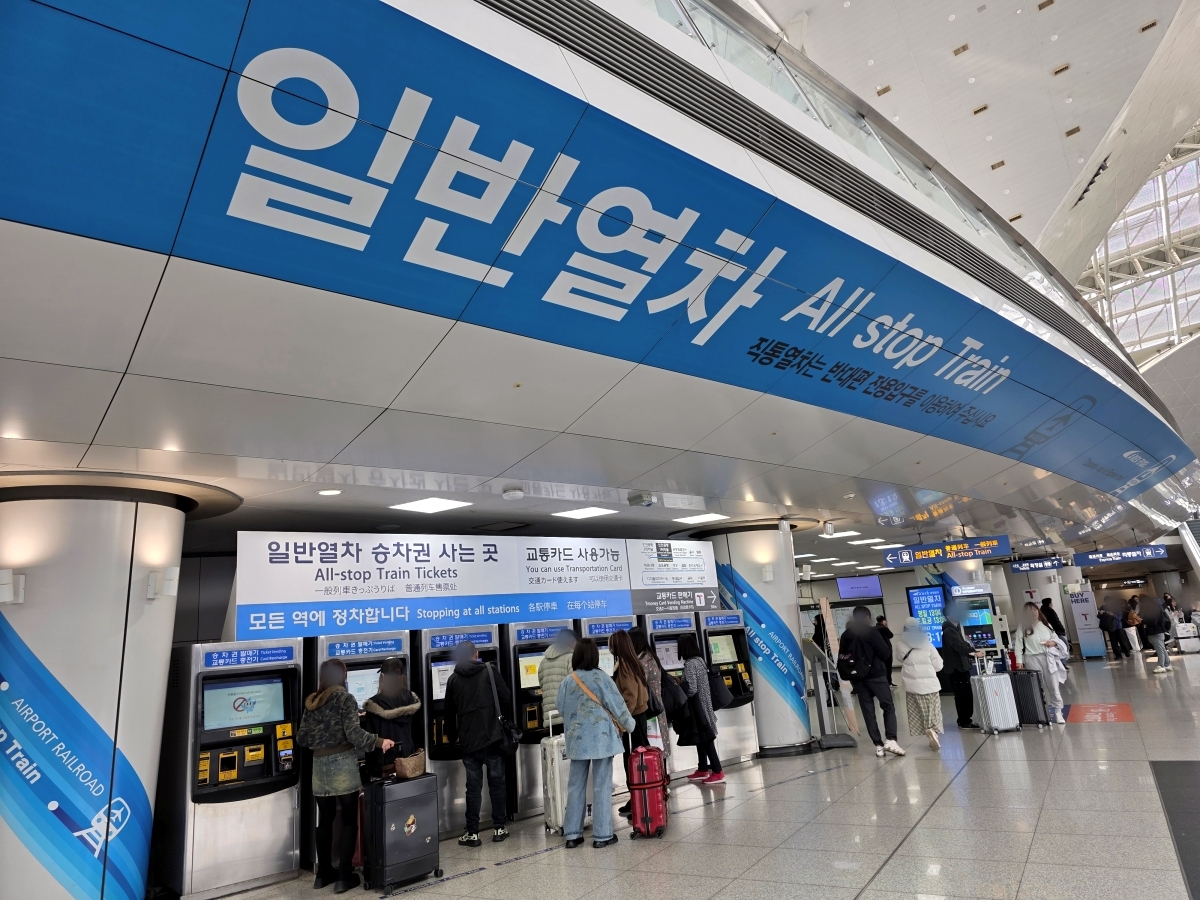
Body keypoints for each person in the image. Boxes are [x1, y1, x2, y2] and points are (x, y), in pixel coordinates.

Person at [298, 659, 394, 892]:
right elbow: (354, 735)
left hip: (319, 766)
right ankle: (343, 876)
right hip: (342, 764)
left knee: (325, 820)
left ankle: (323, 874)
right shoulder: (345, 699)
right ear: (342, 676)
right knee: (349, 819)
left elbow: (301, 738)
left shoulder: (312, 702)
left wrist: (322, 738)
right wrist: (379, 741)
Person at [556, 638, 635, 849]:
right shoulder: (602, 678)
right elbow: (617, 705)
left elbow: (561, 707)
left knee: (575, 785)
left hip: (577, 741)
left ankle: (572, 834)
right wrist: (630, 725)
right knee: (601, 785)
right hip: (602, 739)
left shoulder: (568, 681)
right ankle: (602, 835)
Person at [443, 641, 511, 847]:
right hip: (492, 737)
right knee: (497, 782)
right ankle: (499, 828)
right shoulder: (489, 670)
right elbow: (506, 697)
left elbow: (448, 713)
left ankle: (472, 833)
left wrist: (453, 737)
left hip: (469, 742)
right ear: (476, 654)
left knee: (473, 787)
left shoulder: (453, 679)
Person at [840, 607, 905, 757]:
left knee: (868, 711)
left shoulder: (846, 634)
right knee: (887, 706)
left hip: (857, 679)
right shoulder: (872, 632)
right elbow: (885, 653)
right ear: (868, 618)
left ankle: (878, 745)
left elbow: (843, 656)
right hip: (876, 675)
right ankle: (891, 739)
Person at [609, 629, 649, 818]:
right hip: (638, 717)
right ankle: (636, 799)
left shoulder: (624, 665)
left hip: (632, 719)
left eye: (611, 644)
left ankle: (639, 803)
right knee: (637, 761)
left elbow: (630, 696)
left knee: (633, 762)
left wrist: (623, 721)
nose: (609, 648)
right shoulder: (632, 661)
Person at [362, 656, 420, 779]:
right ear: (401, 676)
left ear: (383, 676)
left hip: (384, 767)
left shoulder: (374, 704)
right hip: (408, 763)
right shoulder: (411, 699)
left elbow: (369, 742)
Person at [678, 632, 725, 782]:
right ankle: (703, 768)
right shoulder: (700, 661)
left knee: (706, 739)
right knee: (701, 738)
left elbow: (692, 689)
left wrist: (680, 688)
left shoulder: (690, 664)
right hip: (705, 705)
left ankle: (717, 772)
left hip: (699, 709)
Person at [893, 617, 944, 750]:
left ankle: (929, 730)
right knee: (934, 710)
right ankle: (933, 730)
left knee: (919, 710)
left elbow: (899, 659)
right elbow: (938, 665)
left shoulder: (900, 644)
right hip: (931, 685)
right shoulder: (928, 643)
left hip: (912, 686)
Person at [1015, 601, 1066, 724]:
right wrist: (1019, 661)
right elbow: (1018, 645)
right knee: (1037, 687)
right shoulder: (1023, 626)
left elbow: (1055, 639)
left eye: (1034, 610)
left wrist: (1052, 643)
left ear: (1038, 611)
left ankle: (1058, 712)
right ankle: (1041, 712)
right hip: (1031, 658)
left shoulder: (1046, 625)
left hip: (1047, 658)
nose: (1033, 612)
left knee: (1053, 685)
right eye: (1029, 611)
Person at [629, 627, 671, 768]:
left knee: (653, 745)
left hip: (651, 709)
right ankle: (661, 777)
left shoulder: (643, 660)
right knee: (658, 746)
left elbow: (639, 684)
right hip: (656, 706)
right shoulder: (650, 656)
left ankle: (657, 778)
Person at [940, 601, 982, 730]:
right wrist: (973, 652)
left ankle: (965, 719)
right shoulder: (949, 630)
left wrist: (972, 652)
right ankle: (964, 721)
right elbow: (958, 646)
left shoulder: (954, 629)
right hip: (956, 668)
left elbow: (962, 645)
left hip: (960, 667)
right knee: (963, 695)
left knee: (965, 694)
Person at [538, 629, 576, 726]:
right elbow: (576, 686)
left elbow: (542, 687)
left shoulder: (543, 662)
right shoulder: (571, 658)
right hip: (567, 717)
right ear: (572, 641)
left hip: (550, 718)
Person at [1142, 596, 1174, 674]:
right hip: (1160, 631)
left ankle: (1161, 665)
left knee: (1159, 649)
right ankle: (1167, 664)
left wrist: (1143, 621)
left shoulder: (1153, 611)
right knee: (1162, 648)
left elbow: (1153, 622)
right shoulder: (1159, 610)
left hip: (1155, 632)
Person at [876, 615, 895, 685]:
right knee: (888, 666)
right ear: (883, 621)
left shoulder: (874, 629)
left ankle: (883, 682)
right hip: (887, 650)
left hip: (878, 650)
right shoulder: (884, 628)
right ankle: (889, 682)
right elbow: (891, 635)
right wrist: (886, 626)